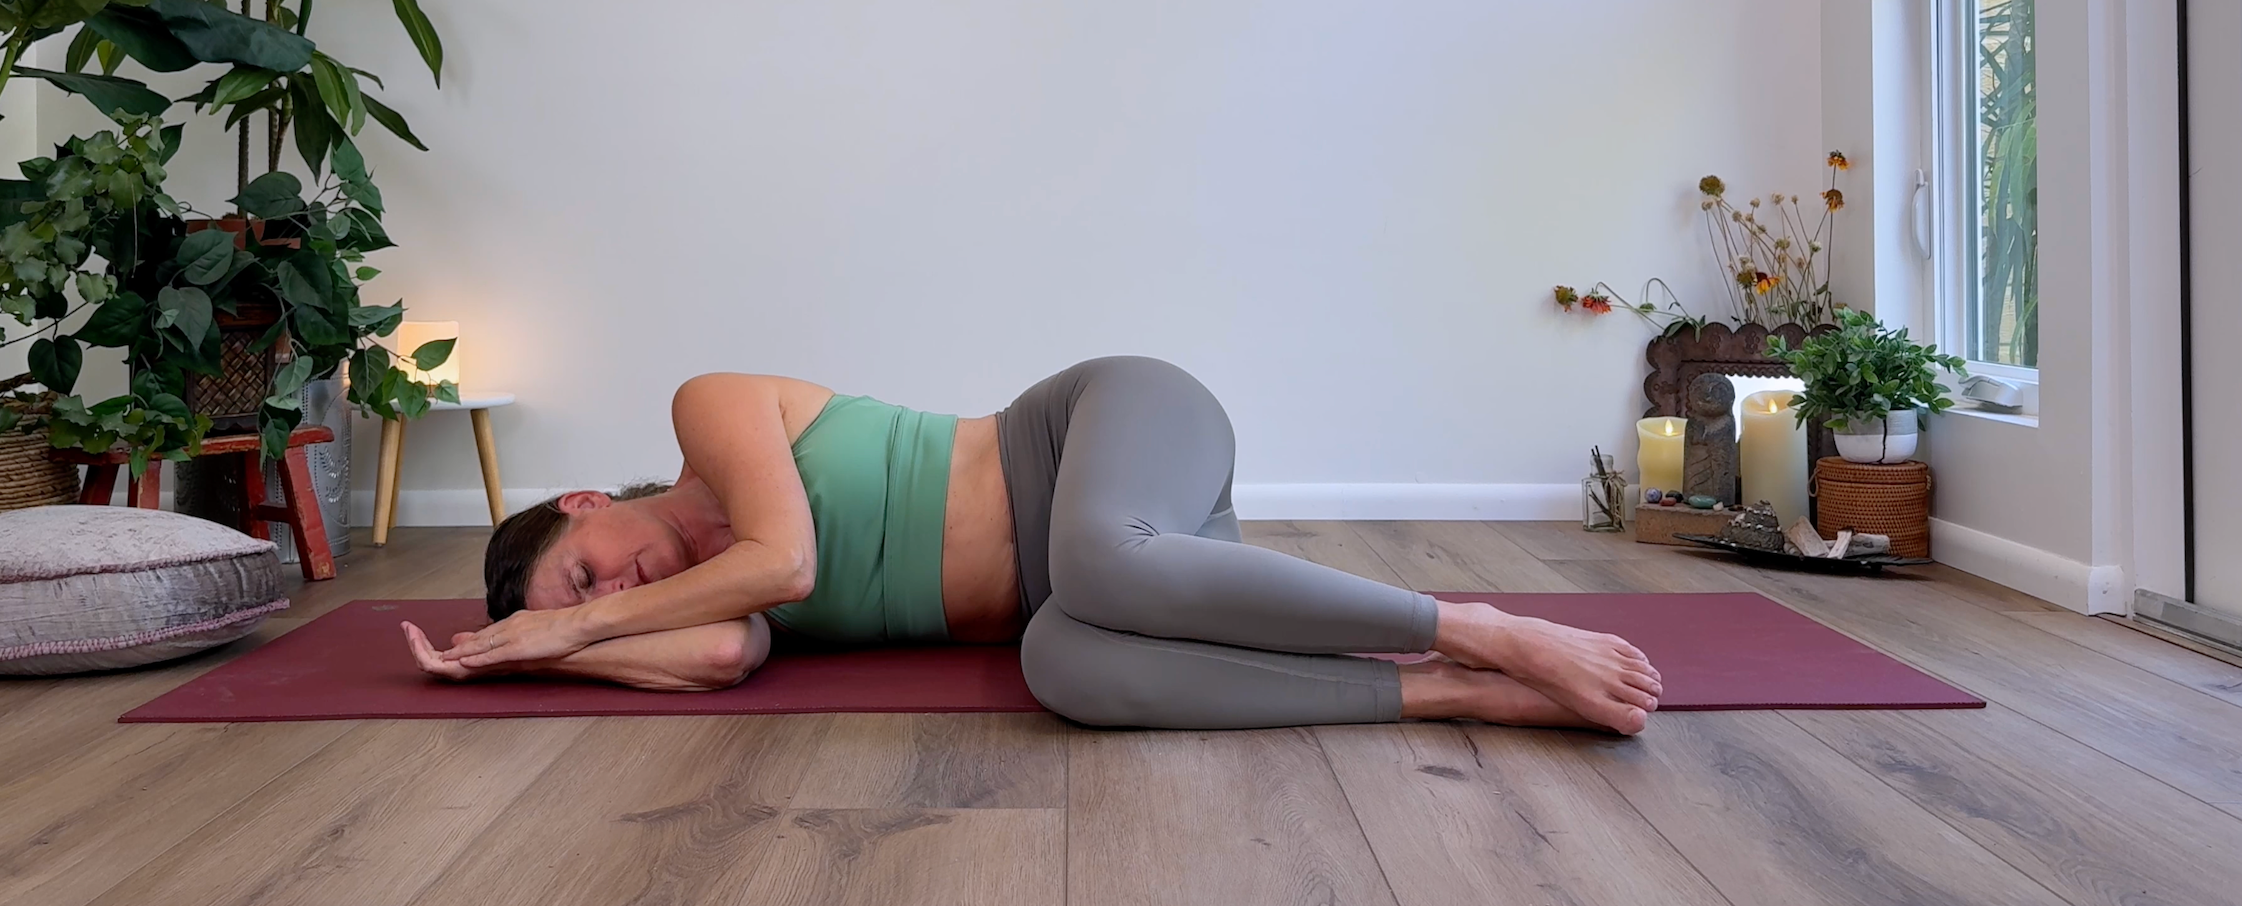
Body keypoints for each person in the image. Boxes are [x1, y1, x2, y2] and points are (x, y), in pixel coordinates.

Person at [402, 356, 1662, 732]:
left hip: (1107, 430)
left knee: (1104, 565)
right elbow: (730, 651)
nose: (617, 588)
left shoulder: (707, 410)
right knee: (1063, 667)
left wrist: (568, 622)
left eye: (585, 568)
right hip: (1113, 574)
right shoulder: (687, 611)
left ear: (580, 503)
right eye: (591, 602)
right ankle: (1444, 690)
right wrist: (546, 654)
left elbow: (780, 565)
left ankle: (1483, 624)